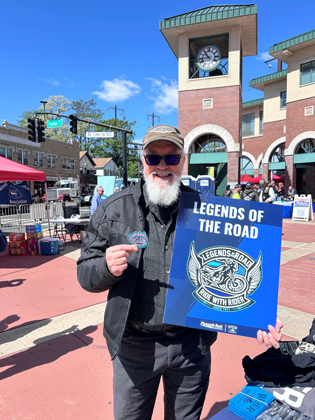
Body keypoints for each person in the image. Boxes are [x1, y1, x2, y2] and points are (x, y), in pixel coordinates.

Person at [77, 124, 283, 420]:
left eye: (171, 158)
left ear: (183, 161)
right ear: (142, 161)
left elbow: (239, 260)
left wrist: (259, 314)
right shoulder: (114, 209)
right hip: (135, 347)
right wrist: (106, 268)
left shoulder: (208, 211)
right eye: (153, 158)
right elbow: (85, 272)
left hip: (191, 346)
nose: (163, 166)